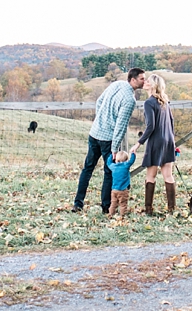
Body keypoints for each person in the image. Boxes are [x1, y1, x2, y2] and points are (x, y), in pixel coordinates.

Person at [72, 67, 146, 213]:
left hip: (94, 132)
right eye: (142, 79)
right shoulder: (129, 100)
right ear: (133, 79)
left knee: (87, 169)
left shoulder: (116, 84)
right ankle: (106, 206)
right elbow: (120, 125)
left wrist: (100, 120)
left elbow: (99, 102)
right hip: (107, 140)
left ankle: (78, 203)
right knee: (108, 172)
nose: (145, 81)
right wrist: (114, 148)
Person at [130, 73, 176, 215]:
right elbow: (171, 123)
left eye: (148, 81)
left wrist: (138, 143)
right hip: (168, 140)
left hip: (156, 142)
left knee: (151, 176)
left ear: (153, 85)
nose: (145, 82)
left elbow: (151, 126)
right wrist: (172, 143)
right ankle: (171, 209)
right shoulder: (165, 102)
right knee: (168, 176)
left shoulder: (149, 102)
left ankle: (148, 209)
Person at [106, 150, 137, 216]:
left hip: (114, 190)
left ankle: (111, 214)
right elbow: (132, 161)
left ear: (116, 160)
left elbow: (108, 163)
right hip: (123, 190)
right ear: (126, 160)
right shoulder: (126, 165)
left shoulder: (113, 166)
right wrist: (133, 154)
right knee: (123, 204)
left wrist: (112, 155)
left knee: (113, 203)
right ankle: (122, 215)